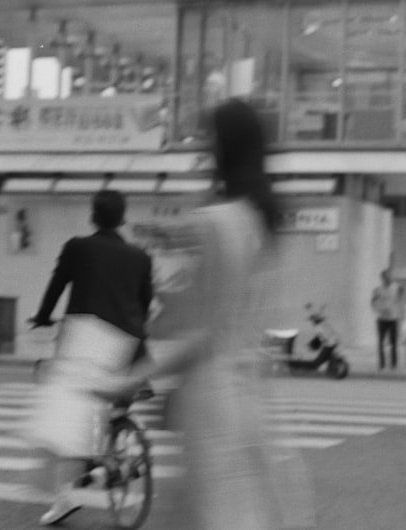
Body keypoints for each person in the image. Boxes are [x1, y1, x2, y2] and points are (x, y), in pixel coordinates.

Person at [123, 98, 314, 529]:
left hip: (211, 400)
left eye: (208, 137)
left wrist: (130, 378)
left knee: (211, 514)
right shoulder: (263, 221)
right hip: (250, 396)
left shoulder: (216, 221)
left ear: (223, 146)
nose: (201, 147)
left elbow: (202, 333)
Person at [27, 190, 154, 526]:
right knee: (112, 405)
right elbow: (144, 304)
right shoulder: (141, 257)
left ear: (92, 216)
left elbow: (57, 285)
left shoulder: (77, 247)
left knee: (66, 420)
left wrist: (42, 316)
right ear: (123, 218)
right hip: (129, 344)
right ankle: (120, 455)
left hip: (88, 338)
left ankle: (65, 498)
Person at [371, 269, 400, 370]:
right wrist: (378, 310)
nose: (389, 278)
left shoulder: (395, 288)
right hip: (382, 319)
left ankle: (394, 363)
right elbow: (373, 301)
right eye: (387, 277)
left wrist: (394, 309)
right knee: (381, 342)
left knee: (394, 342)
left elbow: (400, 295)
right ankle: (382, 364)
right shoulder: (378, 289)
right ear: (383, 278)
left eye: (390, 276)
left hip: (393, 318)